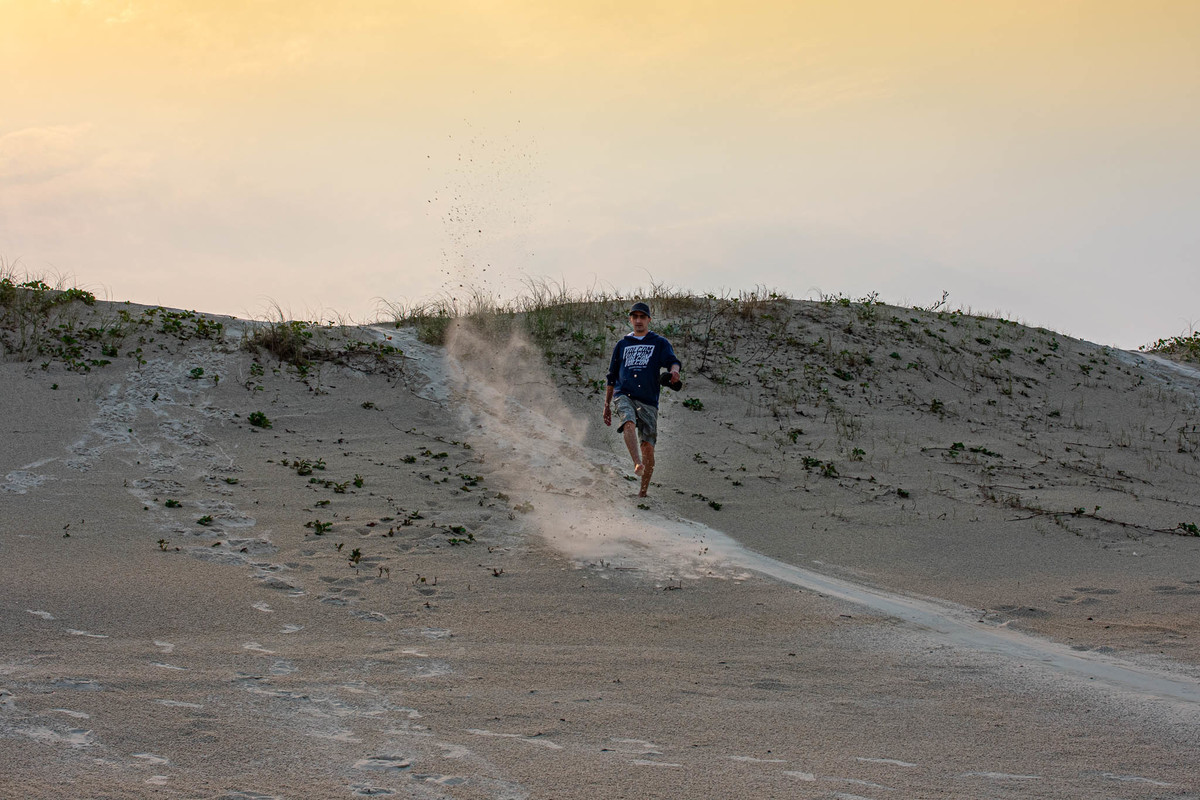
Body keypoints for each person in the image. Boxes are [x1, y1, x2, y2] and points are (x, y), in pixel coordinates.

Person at [603, 301, 682, 497]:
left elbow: (672, 361)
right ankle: (636, 463)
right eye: (635, 317)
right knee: (628, 422)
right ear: (630, 320)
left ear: (648, 319)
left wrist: (674, 372)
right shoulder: (622, 344)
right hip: (624, 394)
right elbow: (612, 376)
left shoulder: (658, 342)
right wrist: (606, 404)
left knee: (648, 447)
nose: (638, 321)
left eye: (642, 317)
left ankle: (643, 492)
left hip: (648, 400)